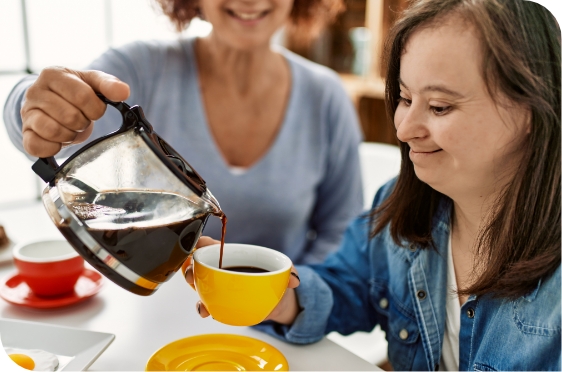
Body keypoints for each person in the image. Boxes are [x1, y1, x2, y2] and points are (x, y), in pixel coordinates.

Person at [185, 0, 561, 369]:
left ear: (528, 109)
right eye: (405, 98)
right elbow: (349, 286)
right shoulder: (400, 207)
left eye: (440, 107)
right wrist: (277, 299)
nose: (404, 128)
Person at [3, 0, 364, 264]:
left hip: (278, 322)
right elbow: (47, 116)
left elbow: (342, 235)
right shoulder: (141, 68)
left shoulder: (325, 97)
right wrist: (35, 106)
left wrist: (286, 301)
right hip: (154, 317)